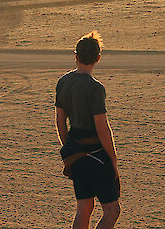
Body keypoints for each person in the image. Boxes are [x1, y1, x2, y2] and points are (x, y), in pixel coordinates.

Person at [55, 31, 120, 229]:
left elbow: (59, 121)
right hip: (96, 153)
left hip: (75, 150)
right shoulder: (95, 88)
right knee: (112, 211)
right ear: (98, 58)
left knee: (84, 207)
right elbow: (102, 128)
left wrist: (69, 147)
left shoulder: (64, 81)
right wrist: (113, 159)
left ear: (76, 55)